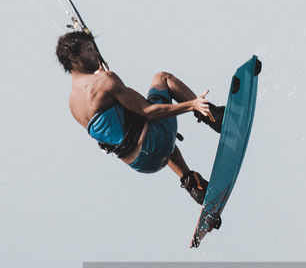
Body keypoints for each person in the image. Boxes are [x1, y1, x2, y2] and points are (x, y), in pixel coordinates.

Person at [55, 30, 224, 203]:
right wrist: (193, 104)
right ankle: (213, 116)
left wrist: (108, 81)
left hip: (143, 164)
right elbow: (149, 112)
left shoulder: (73, 106)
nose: (96, 53)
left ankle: (194, 185)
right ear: (73, 57)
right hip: (156, 142)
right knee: (162, 78)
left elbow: (117, 128)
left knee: (142, 130)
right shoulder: (105, 80)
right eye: (89, 49)